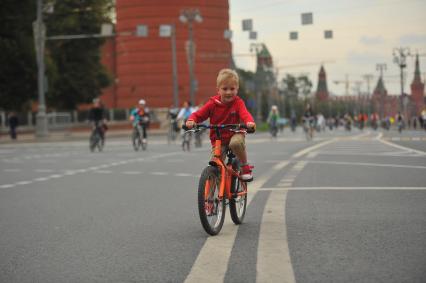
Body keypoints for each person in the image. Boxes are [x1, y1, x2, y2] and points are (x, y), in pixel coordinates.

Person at [185, 68, 256, 182]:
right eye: (225, 89)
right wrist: (191, 120)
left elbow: (245, 114)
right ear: (218, 90)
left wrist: (249, 122)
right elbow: (199, 114)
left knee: (236, 143)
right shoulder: (212, 104)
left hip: (235, 134)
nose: (228, 92)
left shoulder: (238, 103)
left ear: (237, 89)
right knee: (215, 165)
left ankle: (244, 166)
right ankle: (214, 195)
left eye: (232, 89)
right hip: (218, 139)